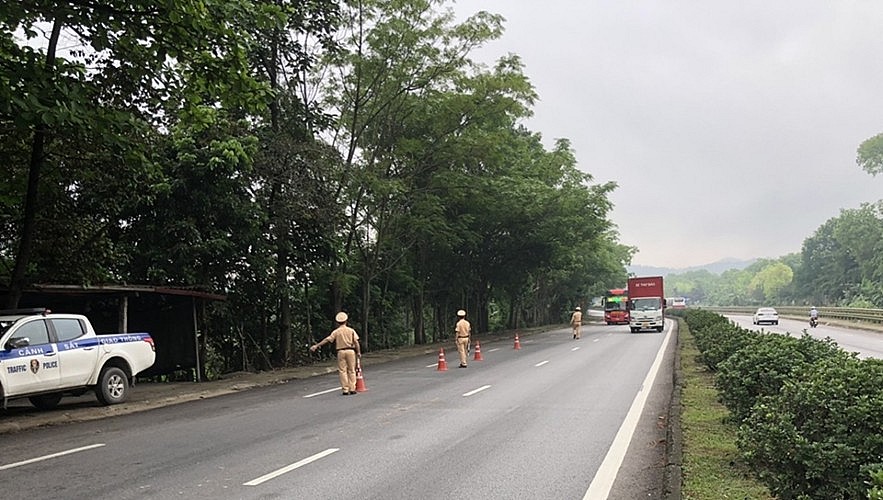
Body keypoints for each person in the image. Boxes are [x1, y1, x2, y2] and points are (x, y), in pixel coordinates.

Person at [310, 312, 361, 395]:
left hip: (340, 351)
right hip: (350, 351)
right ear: (346, 321)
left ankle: (345, 389)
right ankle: (352, 388)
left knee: (342, 371)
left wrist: (317, 345)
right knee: (351, 370)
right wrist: (358, 352)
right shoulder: (351, 330)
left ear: (337, 322)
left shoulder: (336, 332)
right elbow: (356, 342)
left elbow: (328, 339)